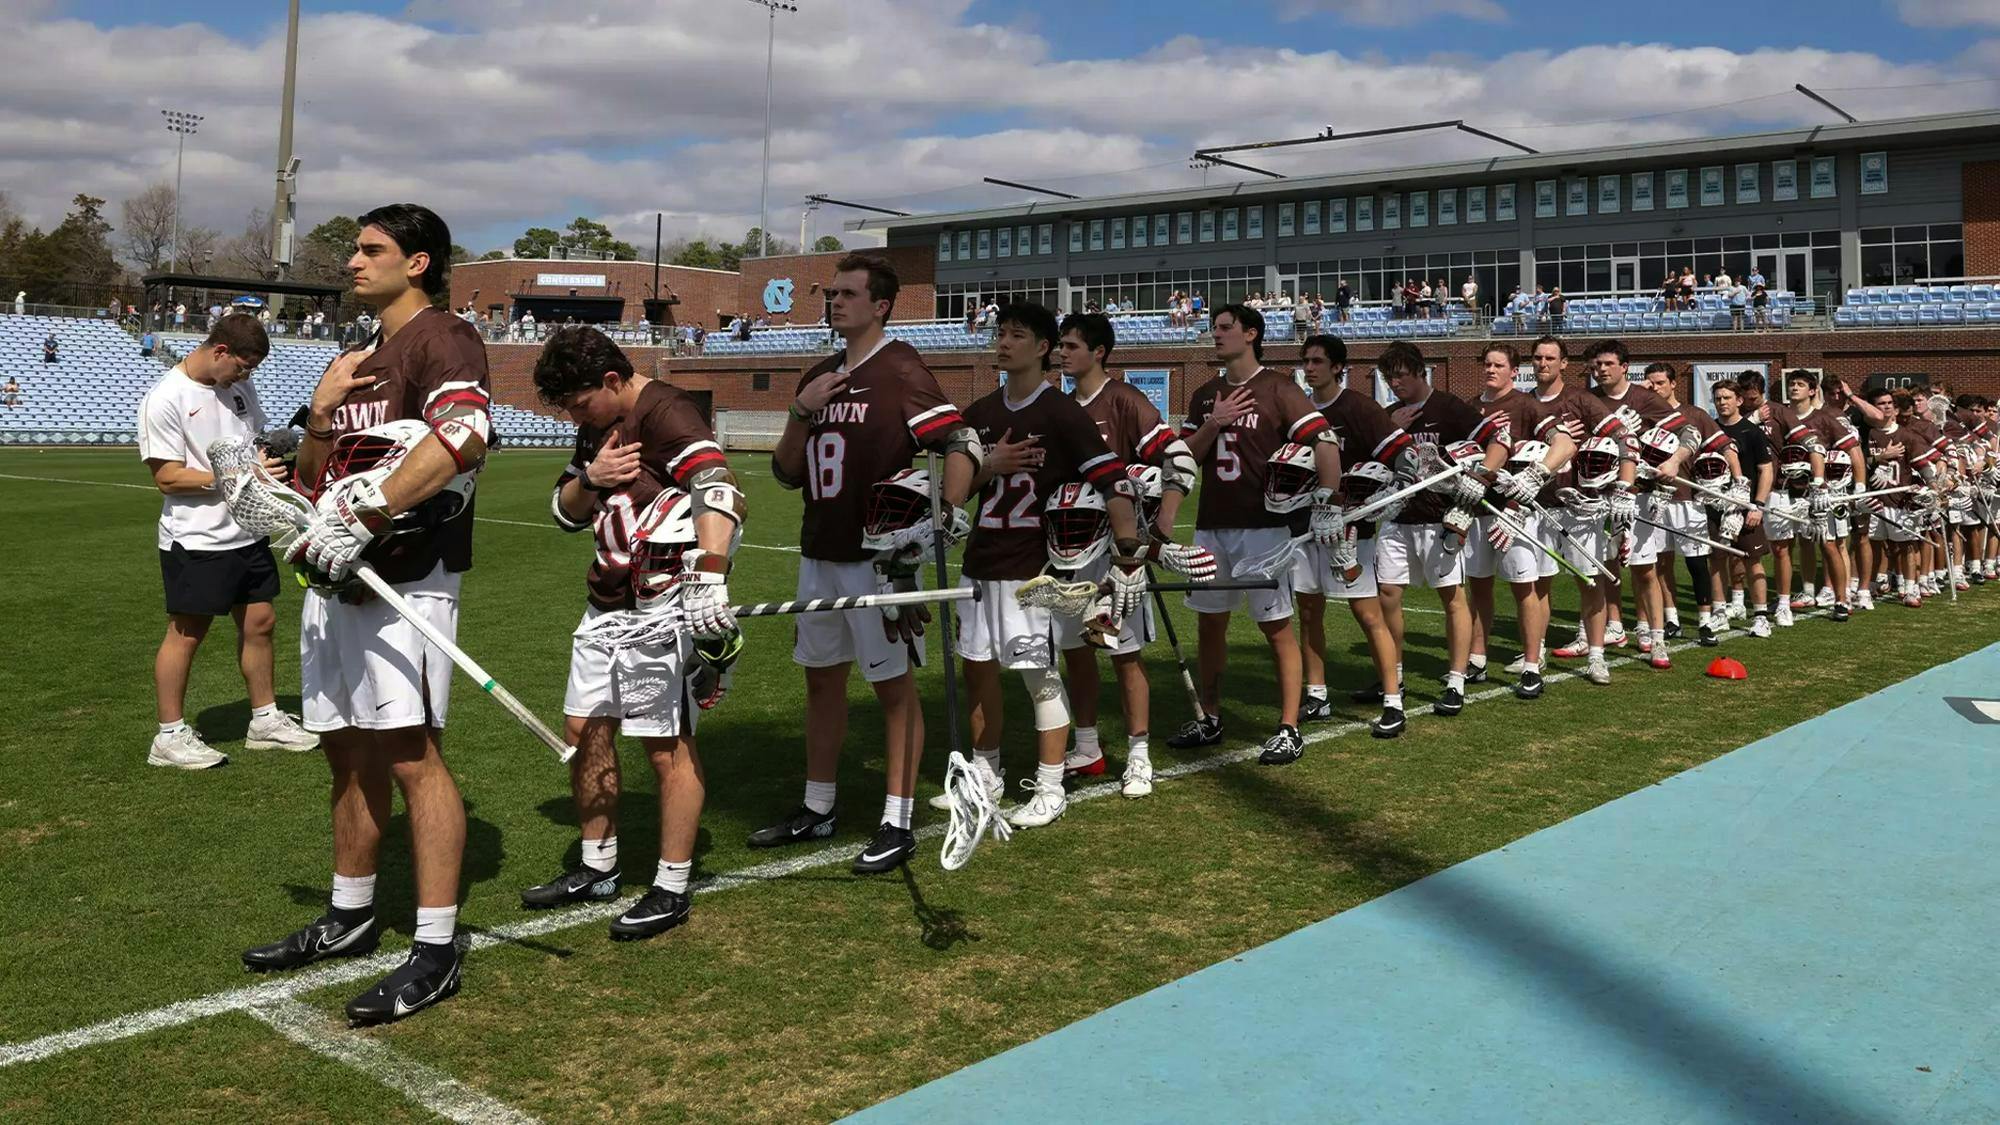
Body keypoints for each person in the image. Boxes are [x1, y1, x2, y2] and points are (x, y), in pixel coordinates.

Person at [245, 203, 495, 1027]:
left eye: (370, 250)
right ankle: (350, 914)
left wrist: (371, 512)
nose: (353, 262)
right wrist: (317, 417)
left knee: (413, 755)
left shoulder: (443, 337)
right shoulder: (361, 355)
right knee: (346, 753)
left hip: (406, 581)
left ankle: (436, 945)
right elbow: (316, 473)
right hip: (334, 582)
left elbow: (466, 434)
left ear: (417, 262)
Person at [753, 253, 981, 874]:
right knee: (821, 680)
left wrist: (945, 515)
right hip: (818, 548)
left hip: (878, 559)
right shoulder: (820, 372)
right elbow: (783, 472)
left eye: (848, 294)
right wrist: (800, 411)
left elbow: (960, 443)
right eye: (831, 293)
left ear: (880, 305)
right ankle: (818, 805)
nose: (835, 302)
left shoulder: (902, 367)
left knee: (894, 692)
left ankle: (898, 820)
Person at [525, 326, 746, 940]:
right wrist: (590, 477)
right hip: (604, 600)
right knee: (584, 729)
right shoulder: (595, 420)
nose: (575, 415)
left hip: (663, 603)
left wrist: (709, 577)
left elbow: (720, 490)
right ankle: (597, 868)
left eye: (579, 404)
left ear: (615, 381)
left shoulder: (669, 411)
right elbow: (566, 512)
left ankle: (671, 886)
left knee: (664, 744)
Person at [952, 301, 1157, 829]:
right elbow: (954, 496)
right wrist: (989, 466)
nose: (1002, 342)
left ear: (1042, 348)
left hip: (1032, 567)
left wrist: (1127, 555)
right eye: (999, 333)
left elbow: (1114, 483)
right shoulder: (980, 413)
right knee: (978, 674)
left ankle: (1049, 787)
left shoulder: (1062, 413)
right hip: (980, 560)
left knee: (1039, 677)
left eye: (1015, 335)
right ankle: (985, 777)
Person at [136, 313, 317, 771]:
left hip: (247, 530)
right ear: (220, 351)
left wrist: (265, 461)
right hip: (196, 535)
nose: (245, 376)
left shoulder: (237, 387)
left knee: (260, 620)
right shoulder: (166, 397)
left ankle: (264, 719)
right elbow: (167, 477)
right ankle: (169, 736)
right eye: (242, 366)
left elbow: (249, 442)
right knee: (187, 633)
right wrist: (234, 477)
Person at [1044, 312, 1204, 797]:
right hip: (1068, 548)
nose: (1063, 354)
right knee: (1076, 651)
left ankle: (1139, 756)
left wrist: (1160, 530)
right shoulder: (1062, 406)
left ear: (1099, 352)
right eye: (1062, 346)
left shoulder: (1125, 401)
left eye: (1072, 346)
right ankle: (1088, 746)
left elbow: (1179, 459)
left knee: (1123, 654)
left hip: (1118, 556)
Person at [1169, 304, 1337, 762]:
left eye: (1225, 328)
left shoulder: (1279, 387)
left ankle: (1288, 726)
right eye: (1214, 328)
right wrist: (1215, 422)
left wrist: (1326, 501)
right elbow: (1185, 460)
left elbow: (1325, 442)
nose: (1216, 335)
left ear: (1251, 333)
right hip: (1210, 526)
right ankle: (1210, 715)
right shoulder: (1205, 394)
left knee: (1276, 625)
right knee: (1209, 624)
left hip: (1264, 528)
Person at [1291, 334, 1412, 730]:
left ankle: (1393, 699)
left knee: (1367, 612)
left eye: (1318, 361)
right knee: (1308, 612)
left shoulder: (1359, 407)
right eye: (1306, 361)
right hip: (1304, 526)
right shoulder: (1297, 409)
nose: (1310, 368)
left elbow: (1403, 457)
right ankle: (1317, 694)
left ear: (1339, 367)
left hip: (1349, 531)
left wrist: (1384, 496)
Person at [1376, 340, 1498, 728]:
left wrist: (1483, 477)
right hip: (1397, 518)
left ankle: (1457, 679)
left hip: (1440, 519)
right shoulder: (1390, 414)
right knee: (1387, 595)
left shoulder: (1448, 406)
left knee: (1451, 597)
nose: (1395, 383)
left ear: (1419, 371)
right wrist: (1390, 430)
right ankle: (1393, 674)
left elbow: (1497, 440)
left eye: (1401, 375)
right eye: (1389, 377)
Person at [1464, 343, 1573, 700]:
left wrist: (1537, 475)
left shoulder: (1526, 405)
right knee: (1477, 587)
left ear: (1514, 371)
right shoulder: (1472, 408)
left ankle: (1530, 665)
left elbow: (1565, 444)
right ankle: (1476, 659)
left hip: (1515, 512)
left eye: (1499, 365)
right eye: (1487, 364)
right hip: (1476, 507)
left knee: (1523, 586)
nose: (1491, 370)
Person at [1536, 336, 1628, 686]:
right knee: (1536, 585)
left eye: (1550, 358)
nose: (1542, 364)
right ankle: (1536, 652)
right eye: (1537, 358)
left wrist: (1622, 489)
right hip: (1537, 507)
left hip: (1579, 507)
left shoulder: (1582, 399)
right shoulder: (1525, 403)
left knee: (1589, 582)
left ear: (1564, 364)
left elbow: (1624, 439)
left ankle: (1596, 656)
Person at [1587, 339, 1684, 668]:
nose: (1601, 370)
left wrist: (1674, 462)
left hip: (1637, 496)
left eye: (1608, 364)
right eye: (1597, 365)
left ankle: (1657, 637)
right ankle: (1613, 626)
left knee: (1645, 570)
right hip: (1599, 496)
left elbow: (1688, 433)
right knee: (1603, 567)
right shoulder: (1588, 400)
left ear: (1624, 366)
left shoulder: (1645, 399)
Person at [1713, 379, 1774, 636]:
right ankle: (1719, 613)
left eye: (1727, 397)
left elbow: (1766, 470)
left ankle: (1760, 616)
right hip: (1716, 504)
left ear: (1739, 401)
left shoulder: (1752, 431)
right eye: (1718, 398)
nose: (1722, 402)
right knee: (1716, 559)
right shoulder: (1711, 430)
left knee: (1752, 559)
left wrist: (1758, 505)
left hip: (1746, 506)